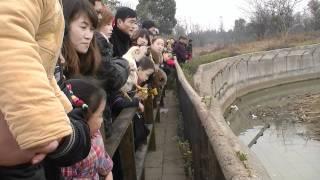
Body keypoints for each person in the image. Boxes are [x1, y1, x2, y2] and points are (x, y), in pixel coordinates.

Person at [0, 0, 91, 179]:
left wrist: (62, 134)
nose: (89, 35)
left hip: (32, 158)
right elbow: (8, 37)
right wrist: (42, 126)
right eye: (84, 26)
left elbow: (48, 76)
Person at [61, 79, 113, 180]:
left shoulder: (96, 135)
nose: (102, 120)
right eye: (100, 115)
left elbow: (105, 167)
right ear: (82, 118)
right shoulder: (68, 157)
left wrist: (108, 174)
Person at [61, 0, 101, 79]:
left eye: (92, 29)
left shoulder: (90, 60)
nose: (89, 36)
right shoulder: (55, 65)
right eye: (83, 27)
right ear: (65, 25)